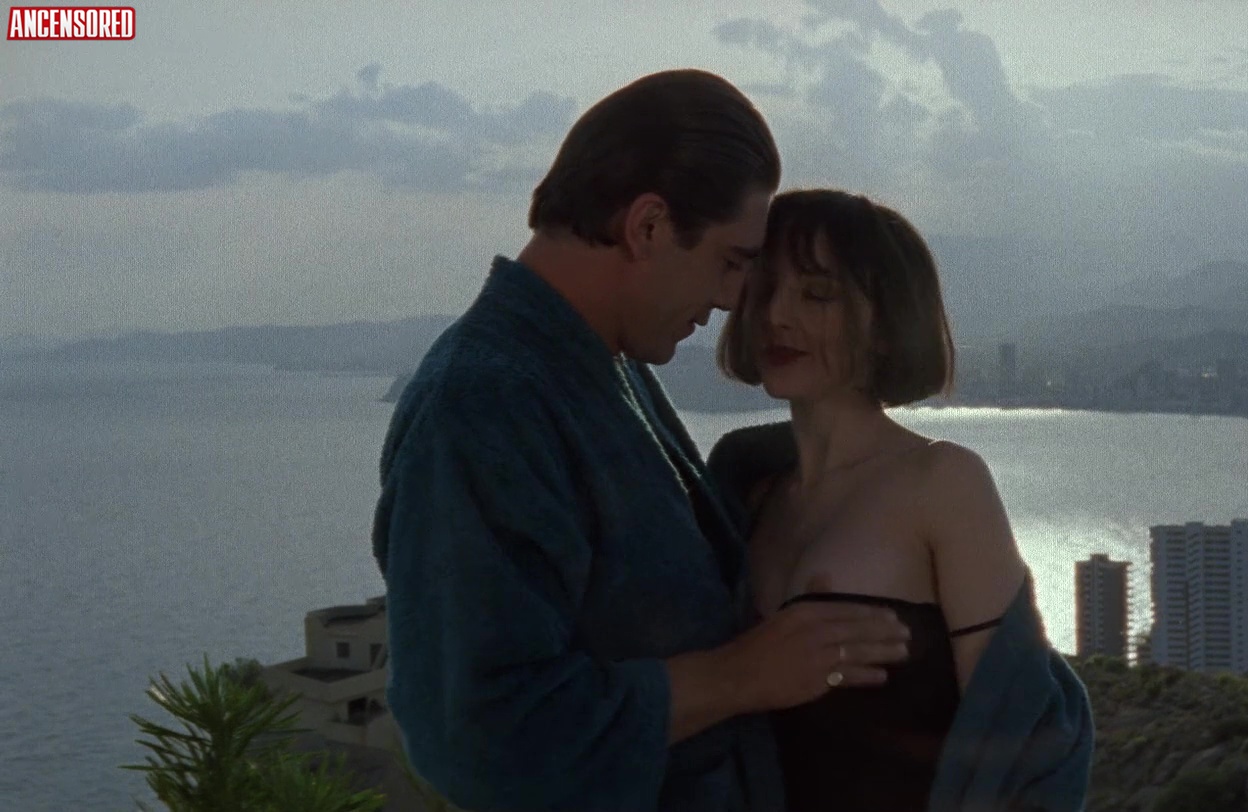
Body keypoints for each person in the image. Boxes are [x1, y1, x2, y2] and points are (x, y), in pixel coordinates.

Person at [370, 71, 913, 812]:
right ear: (649, 226)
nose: (733, 298)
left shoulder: (603, 364)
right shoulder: (483, 406)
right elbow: (476, 738)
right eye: (730, 261)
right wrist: (741, 676)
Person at [706, 189, 1094, 812]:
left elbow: (1019, 737)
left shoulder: (941, 482)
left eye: (817, 294)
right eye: (764, 287)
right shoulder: (743, 491)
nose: (777, 313)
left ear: (886, 326)